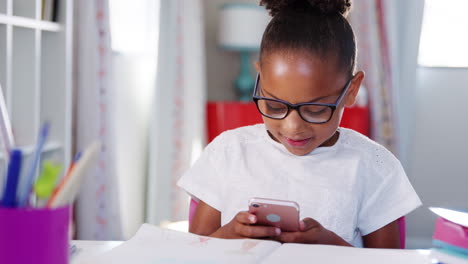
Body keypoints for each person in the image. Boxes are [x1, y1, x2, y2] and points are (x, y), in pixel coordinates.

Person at [177, 0, 421, 248]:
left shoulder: (374, 167)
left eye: (315, 110)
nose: (292, 127)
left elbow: (389, 260)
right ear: (260, 79)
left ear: (352, 89)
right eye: (274, 106)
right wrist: (230, 234)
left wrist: (332, 246)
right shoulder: (228, 151)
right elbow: (196, 250)